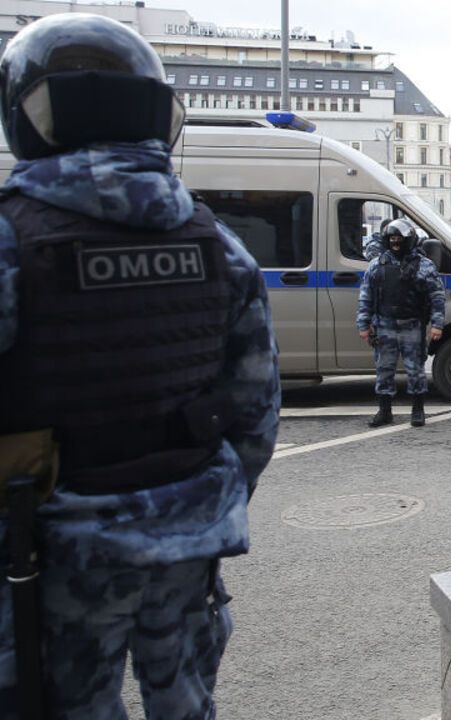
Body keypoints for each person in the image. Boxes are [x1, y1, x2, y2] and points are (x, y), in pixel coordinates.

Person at [0, 14, 280, 718]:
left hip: (48, 549)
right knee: (187, 702)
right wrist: (195, 509)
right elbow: (255, 417)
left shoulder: (12, 239)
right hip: (190, 536)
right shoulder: (216, 242)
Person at [357, 219, 446, 428]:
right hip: (384, 325)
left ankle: (418, 410)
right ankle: (384, 410)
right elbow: (366, 296)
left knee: (415, 370)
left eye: (399, 239)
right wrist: (363, 324)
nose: (395, 243)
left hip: (411, 326)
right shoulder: (377, 264)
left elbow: (437, 296)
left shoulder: (423, 265)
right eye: (392, 239)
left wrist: (437, 325)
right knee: (384, 370)